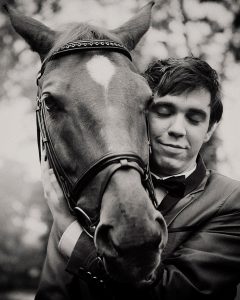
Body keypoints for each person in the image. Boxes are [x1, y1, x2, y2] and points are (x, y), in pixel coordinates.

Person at [38, 56, 240, 300]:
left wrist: (71, 234)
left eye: (194, 118)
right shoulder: (89, 194)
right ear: (140, 115)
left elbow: (176, 294)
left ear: (209, 129)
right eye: (164, 112)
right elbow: (53, 291)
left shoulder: (231, 201)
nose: (177, 129)